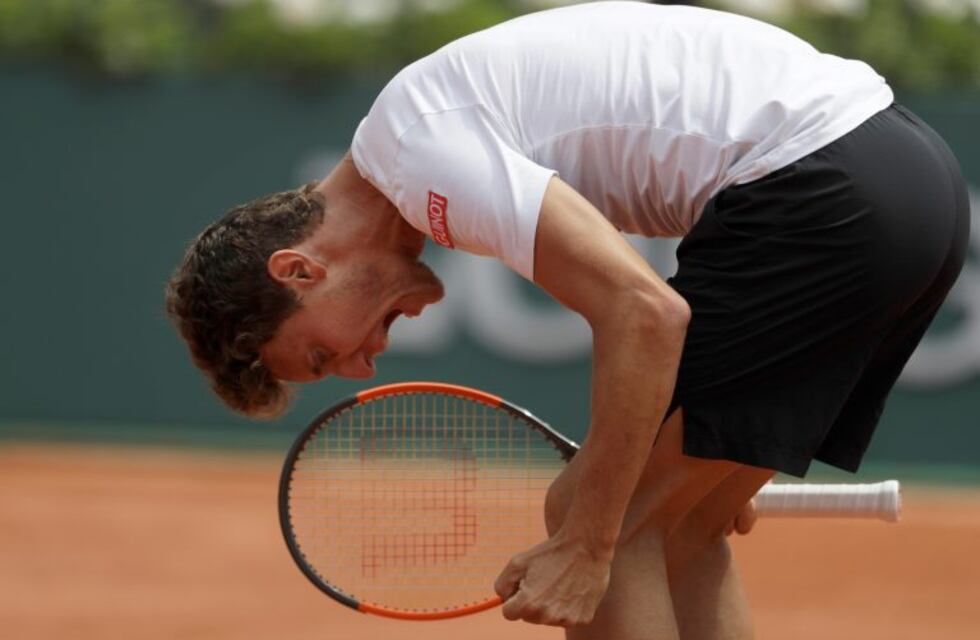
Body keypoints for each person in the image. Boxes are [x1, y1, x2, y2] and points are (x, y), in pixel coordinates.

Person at [165, 2, 970, 638]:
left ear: (300, 270)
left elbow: (647, 312)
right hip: (909, 181)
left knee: (601, 523)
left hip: (821, 189)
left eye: (317, 354)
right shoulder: (415, 141)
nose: (358, 365)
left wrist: (588, 542)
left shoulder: (420, 159)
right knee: (679, 531)